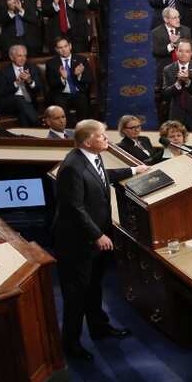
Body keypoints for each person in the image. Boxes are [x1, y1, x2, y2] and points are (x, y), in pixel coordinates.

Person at [53, 120, 151, 360]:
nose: (107, 139)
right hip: (76, 243)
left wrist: (132, 171)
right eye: (102, 136)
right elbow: (74, 207)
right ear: (88, 141)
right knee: (76, 295)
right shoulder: (71, 167)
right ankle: (71, 345)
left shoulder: (91, 156)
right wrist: (97, 234)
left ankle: (99, 327)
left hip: (93, 237)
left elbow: (100, 176)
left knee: (94, 286)